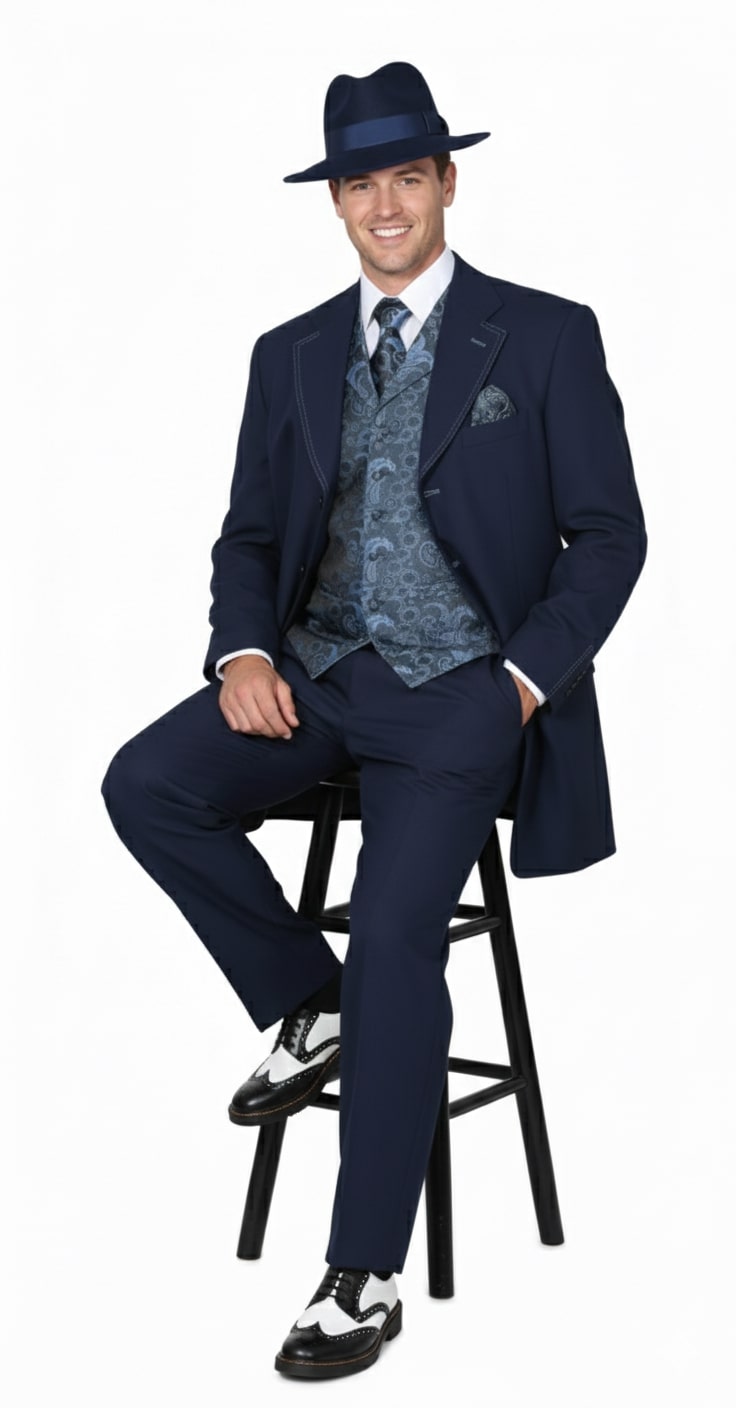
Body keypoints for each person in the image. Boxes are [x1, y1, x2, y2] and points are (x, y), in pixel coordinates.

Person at [101, 61, 647, 1381]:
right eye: (361, 183)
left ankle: (362, 1274)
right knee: (144, 784)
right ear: (336, 200)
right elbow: (248, 535)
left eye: (409, 176)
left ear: (448, 182)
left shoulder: (545, 335)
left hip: (464, 695)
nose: (386, 204)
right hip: (316, 677)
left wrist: (522, 681)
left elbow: (609, 536)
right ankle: (312, 1001)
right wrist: (242, 649)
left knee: (400, 935)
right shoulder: (287, 352)